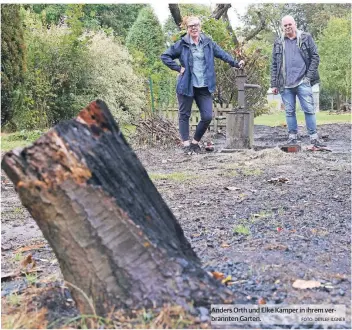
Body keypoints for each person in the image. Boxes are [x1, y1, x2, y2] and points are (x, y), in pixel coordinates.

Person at [161, 16, 244, 154]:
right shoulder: (182, 44)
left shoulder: (208, 43)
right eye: (190, 26)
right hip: (187, 85)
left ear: (200, 27)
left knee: (207, 116)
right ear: (187, 29)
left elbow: (222, 54)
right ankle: (186, 145)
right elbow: (165, 56)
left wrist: (235, 63)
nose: (194, 28)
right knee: (184, 115)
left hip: (204, 86)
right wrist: (178, 68)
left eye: (196, 25)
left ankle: (195, 142)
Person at [271, 15, 326, 147]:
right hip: (285, 83)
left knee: (308, 109)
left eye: (290, 24)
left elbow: (315, 57)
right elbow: (274, 64)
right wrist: (273, 84)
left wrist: (308, 78)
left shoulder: (306, 38)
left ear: (294, 24)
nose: (288, 27)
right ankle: (292, 137)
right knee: (289, 111)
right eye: (285, 25)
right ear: (282, 27)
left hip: (303, 81)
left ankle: (313, 137)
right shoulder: (278, 42)